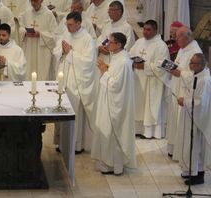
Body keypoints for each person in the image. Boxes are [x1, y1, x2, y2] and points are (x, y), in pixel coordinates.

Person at [53, 12, 98, 153]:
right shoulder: (66, 34)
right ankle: (62, 142)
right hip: (64, 76)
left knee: (74, 110)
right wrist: (61, 51)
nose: (68, 27)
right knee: (61, 108)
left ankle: (75, 145)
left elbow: (89, 62)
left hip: (76, 80)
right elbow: (56, 51)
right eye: (67, 24)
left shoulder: (87, 39)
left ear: (79, 23)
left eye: (71, 25)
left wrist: (70, 53)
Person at [92, 32, 136, 175]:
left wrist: (104, 71)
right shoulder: (117, 57)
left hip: (115, 103)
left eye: (110, 42)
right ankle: (106, 162)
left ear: (119, 45)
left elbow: (115, 85)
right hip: (108, 100)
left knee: (111, 131)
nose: (107, 44)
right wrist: (107, 68)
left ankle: (113, 165)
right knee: (105, 129)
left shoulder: (123, 61)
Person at [129, 20, 170, 139]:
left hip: (152, 82)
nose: (145, 32)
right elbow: (130, 55)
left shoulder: (161, 46)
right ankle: (138, 129)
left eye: (148, 30)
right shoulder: (140, 42)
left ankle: (150, 132)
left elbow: (162, 66)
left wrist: (145, 66)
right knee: (138, 105)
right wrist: (132, 62)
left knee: (149, 106)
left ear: (155, 30)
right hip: (138, 80)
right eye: (144, 29)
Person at [174, 53, 210, 185]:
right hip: (190, 116)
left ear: (200, 65)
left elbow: (202, 103)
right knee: (189, 144)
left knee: (196, 146)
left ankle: (198, 175)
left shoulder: (205, 80)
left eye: (192, 63)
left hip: (198, 120)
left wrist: (186, 101)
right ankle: (189, 170)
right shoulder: (197, 75)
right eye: (190, 62)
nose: (190, 65)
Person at [167, 27, 202, 157]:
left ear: (187, 37)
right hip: (177, 88)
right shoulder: (183, 48)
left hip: (185, 92)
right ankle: (174, 149)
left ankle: (181, 153)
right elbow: (179, 65)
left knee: (181, 122)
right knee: (174, 120)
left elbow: (196, 76)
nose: (175, 39)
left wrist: (180, 73)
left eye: (178, 37)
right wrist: (171, 68)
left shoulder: (195, 52)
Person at [19, 0, 58, 80]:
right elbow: (21, 28)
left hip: (42, 50)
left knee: (42, 74)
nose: (33, 3)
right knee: (29, 71)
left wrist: (40, 34)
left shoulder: (48, 14)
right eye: (31, 1)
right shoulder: (27, 13)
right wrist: (25, 32)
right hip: (29, 47)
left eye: (35, 1)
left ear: (41, 1)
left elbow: (54, 34)